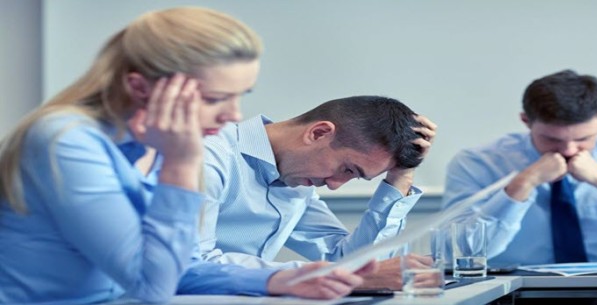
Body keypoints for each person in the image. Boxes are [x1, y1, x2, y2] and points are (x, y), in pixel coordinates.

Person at [0, 7, 375, 304]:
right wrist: (181, 164)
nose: (232, 115)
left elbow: (180, 265)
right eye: (214, 98)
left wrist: (276, 279)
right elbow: (152, 283)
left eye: (239, 95)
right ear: (139, 87)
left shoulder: (160, 142)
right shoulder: (65, 141)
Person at [200, 95, 437, 289]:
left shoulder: (297, 182)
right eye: (346, 169)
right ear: (319, 133)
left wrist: (401, 175)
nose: (335, 185)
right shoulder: (208, 157)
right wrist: (324, 275)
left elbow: (355, 263)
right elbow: (196, 265)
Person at [442, 69, 597, 266]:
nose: (569, 150)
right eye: (551, 139)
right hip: (513, 290)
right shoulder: (475, 163)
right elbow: (458, 254)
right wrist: (521, 185)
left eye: (584, 138)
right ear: (525, 120)